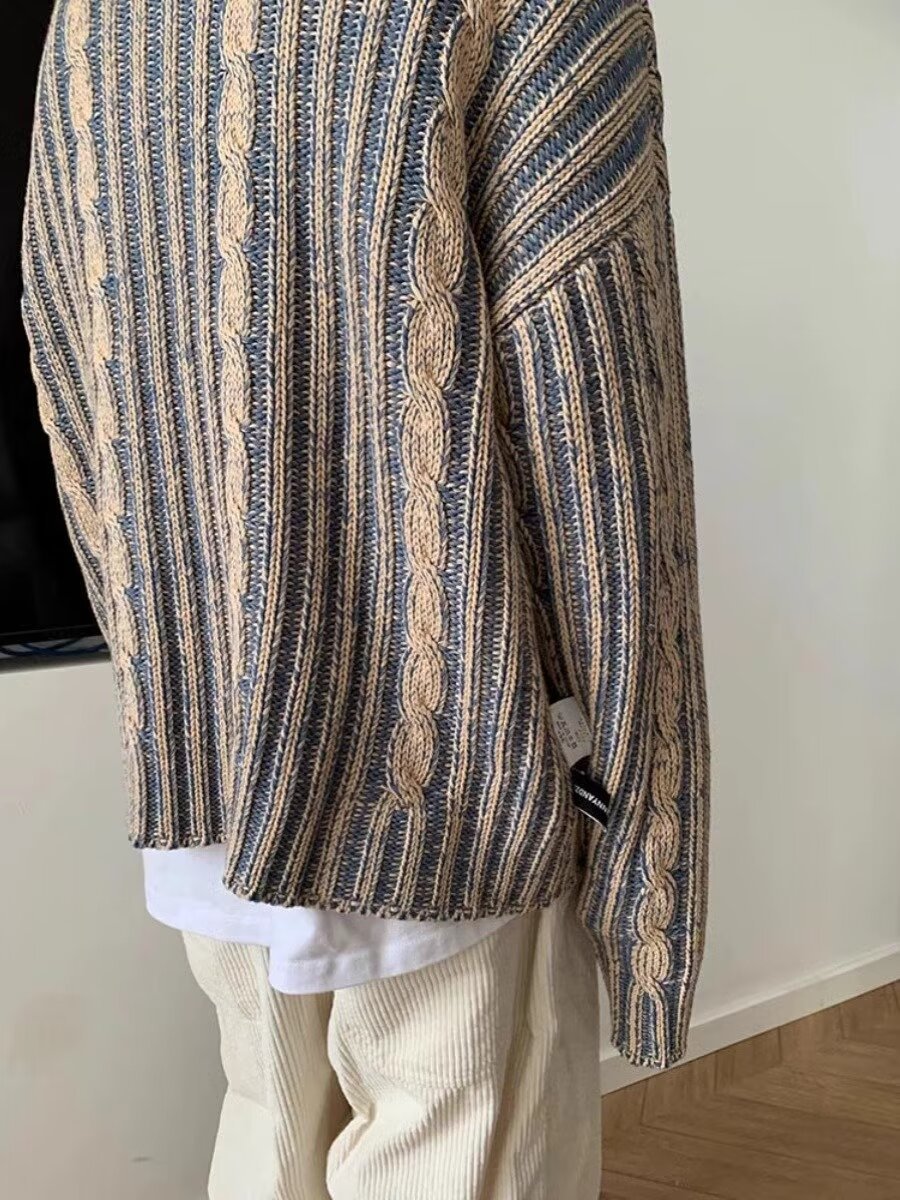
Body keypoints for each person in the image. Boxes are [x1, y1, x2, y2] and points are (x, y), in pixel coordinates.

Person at [20, 0, 710, 1195]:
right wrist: (640, 810)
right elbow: (598, 412)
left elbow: (64, 353)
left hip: (208, 753)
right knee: (459, 1140)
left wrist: (166, 661)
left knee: (266, 1124)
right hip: (451, 756)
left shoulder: (92, 15)